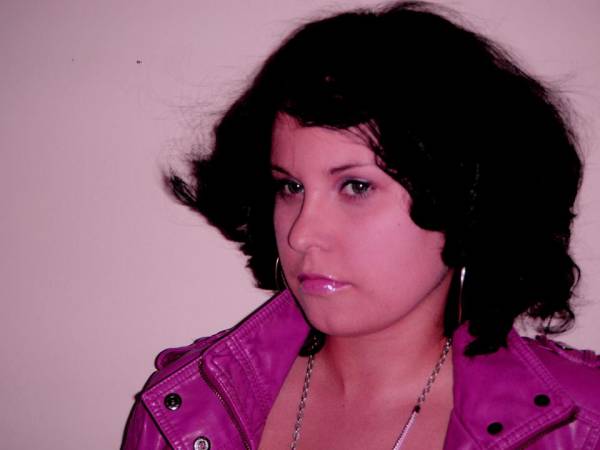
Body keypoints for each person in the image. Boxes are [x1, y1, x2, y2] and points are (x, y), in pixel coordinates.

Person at [121, 1, 600, 449]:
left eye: (355, 186)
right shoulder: (185, 410)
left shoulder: (580, 427)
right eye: (290, 187)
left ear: (467, 199)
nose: (301, 234)